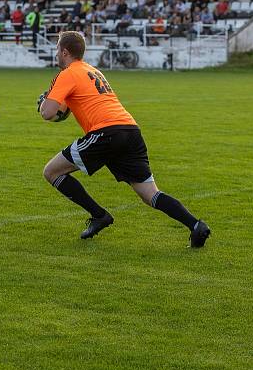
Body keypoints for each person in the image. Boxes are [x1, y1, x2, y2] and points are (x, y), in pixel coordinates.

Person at [38, 31, 210, 247]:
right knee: (150, 194)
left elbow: (48, 113)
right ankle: (196, 226)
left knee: (51, 172)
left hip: (105, 133)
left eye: (56, 50)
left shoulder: (67, 73)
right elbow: (70, 106)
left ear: (64, 52)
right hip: (130, 130)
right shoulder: (93, 71)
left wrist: (45, 101)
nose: (56, 55)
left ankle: (99, 215)